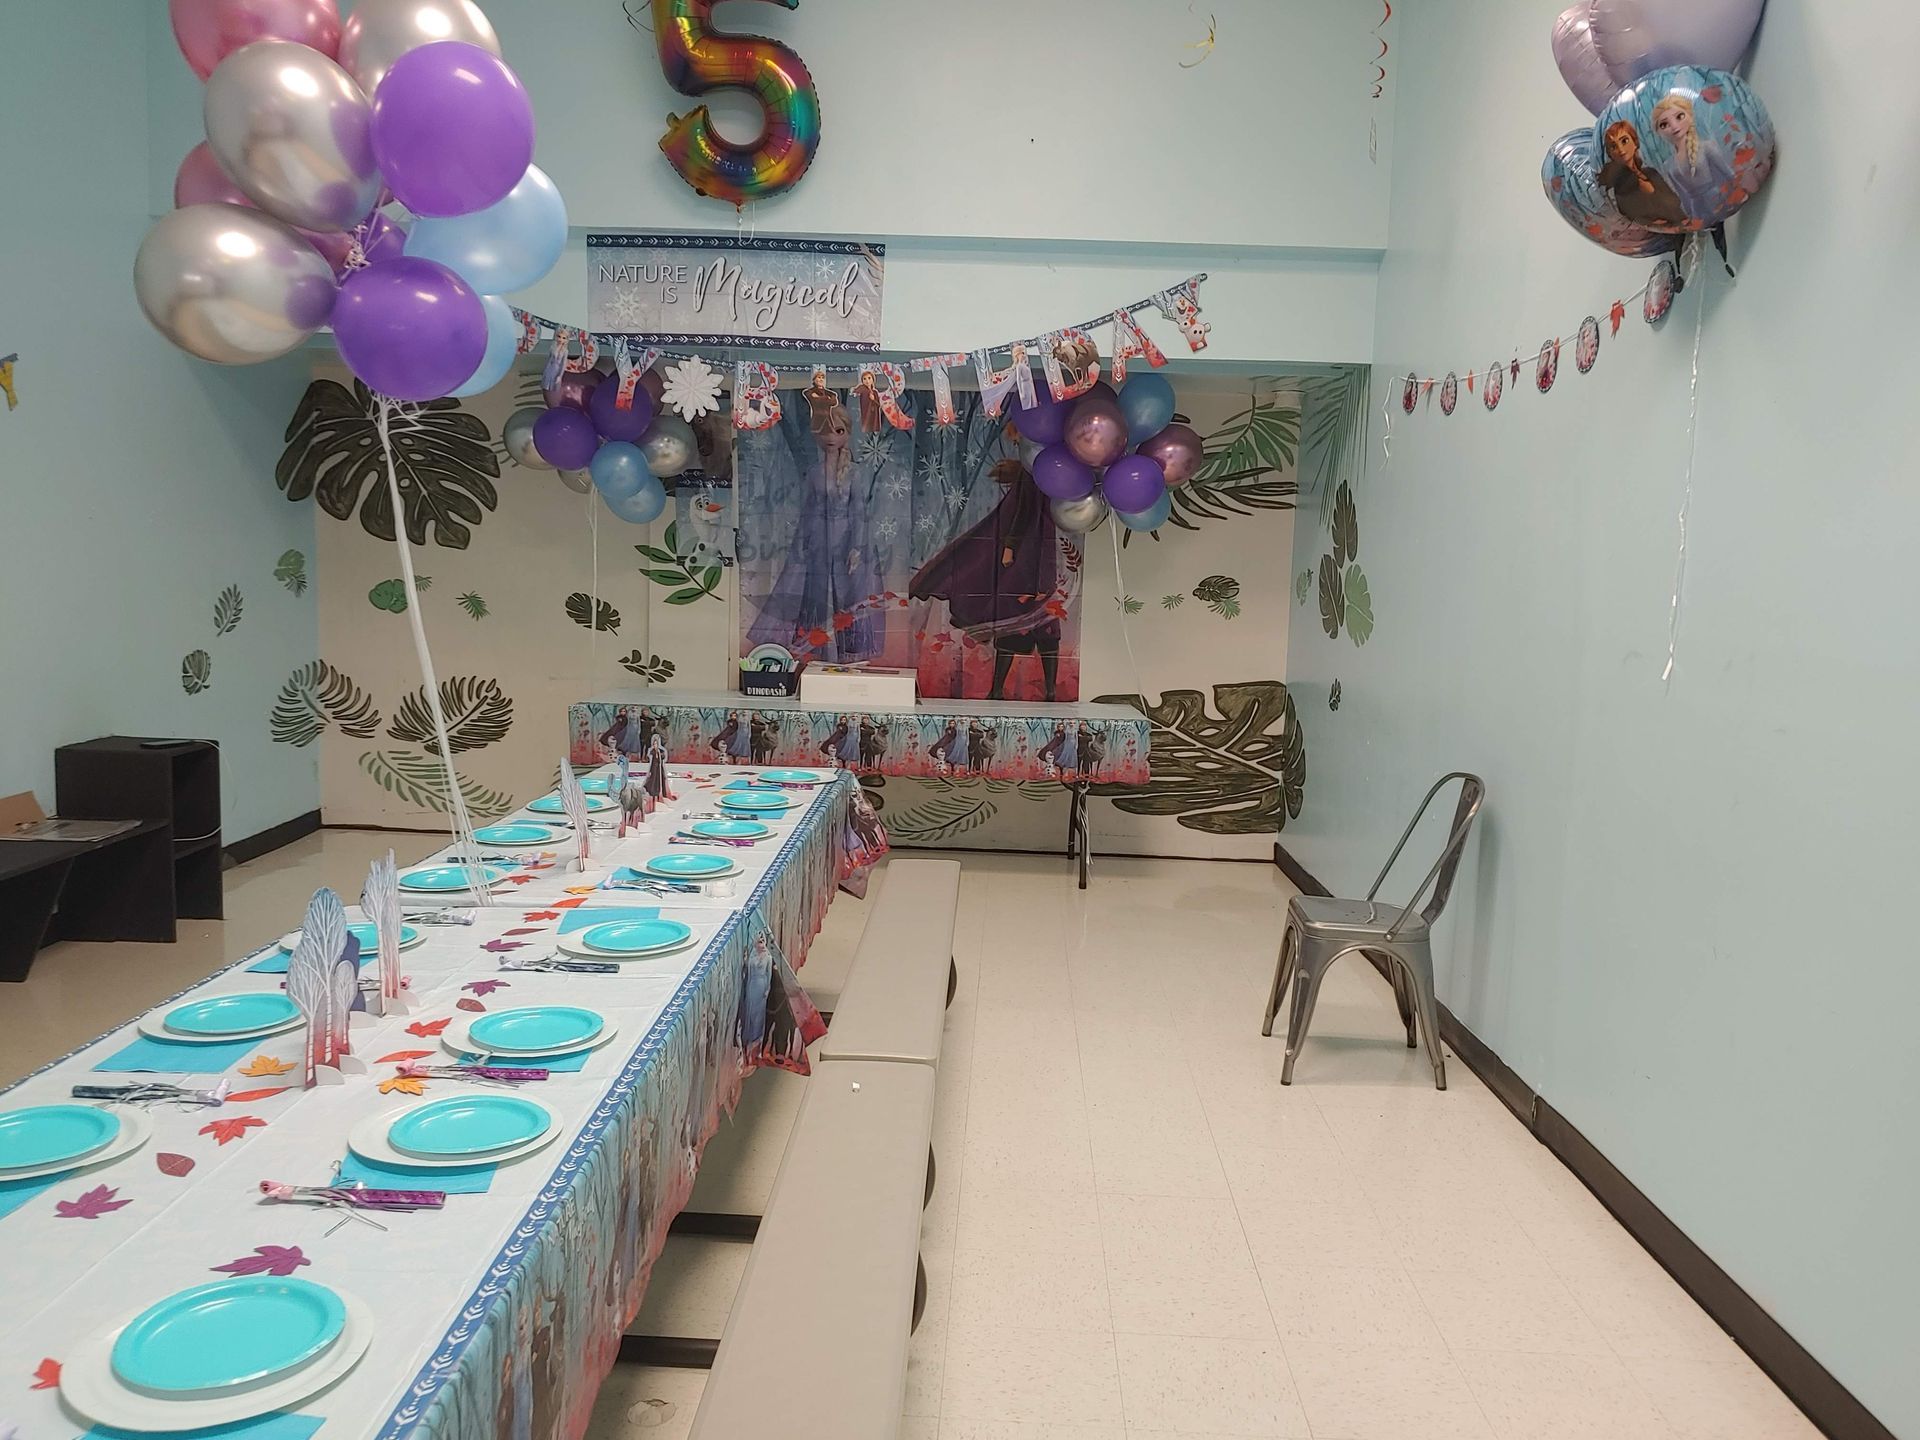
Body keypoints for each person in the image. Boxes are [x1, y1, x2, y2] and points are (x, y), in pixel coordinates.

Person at [909, 457, 1065, 700]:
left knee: (1040, 621)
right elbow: (1022, 511)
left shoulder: (1043, 471)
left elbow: (1026, 511)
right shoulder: (1034, 471)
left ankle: (1037, 691)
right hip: (1029, 555)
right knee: (1020, 618)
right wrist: (1011, 546)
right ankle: (1004, 690)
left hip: (1039, 554)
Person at [1652, 92, 1737, 223]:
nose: (1674, 126)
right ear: (1658, 131)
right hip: (1697, 210)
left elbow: (1729, 175)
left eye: (1679, 116)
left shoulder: (1707, 147)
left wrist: (1733, 196)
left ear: (1690, 116)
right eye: (1664, 125)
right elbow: (1682, 196)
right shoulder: (1669, 165)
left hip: (1719, 200)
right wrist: (1691, 218)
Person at [1598, 121, 1687, 228]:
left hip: (1681, 223)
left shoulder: (1650, 172)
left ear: (1635, 142)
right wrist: (1650, 223)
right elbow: (1631, 215)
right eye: (1613, 146)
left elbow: (1675, 201)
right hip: (1664, 233)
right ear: (1610, 154)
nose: (1621, 149)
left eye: (1624, 141)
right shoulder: (1621, 185)